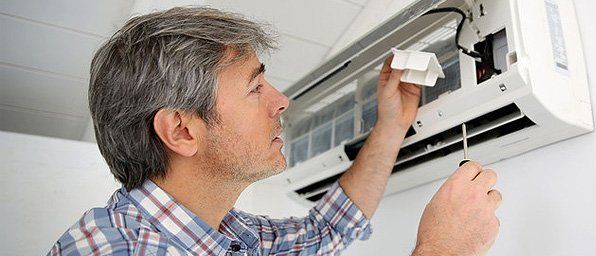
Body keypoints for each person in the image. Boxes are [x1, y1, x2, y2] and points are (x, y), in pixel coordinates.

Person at [49, 7, 501, 256]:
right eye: (254, 87)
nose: (280, 100)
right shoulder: (115, 251)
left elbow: (325, 232)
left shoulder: (227, 236)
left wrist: (391, 124)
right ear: (182, 131)